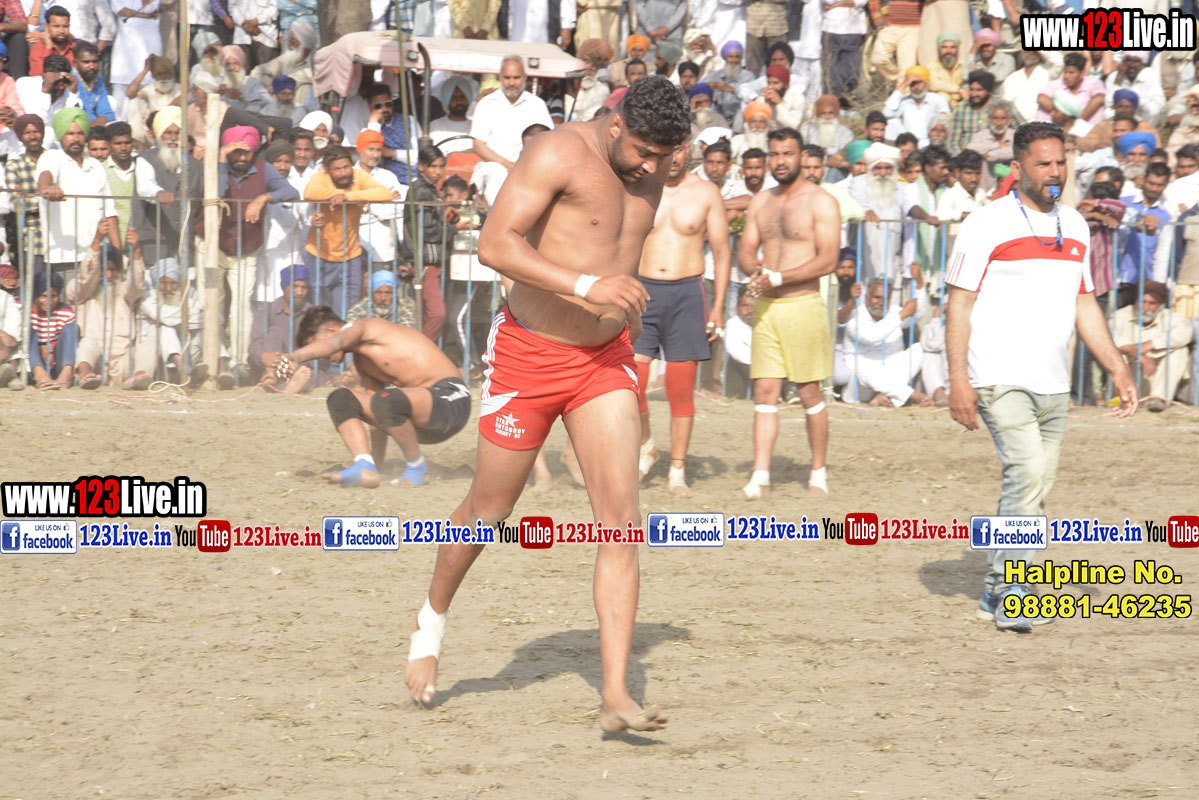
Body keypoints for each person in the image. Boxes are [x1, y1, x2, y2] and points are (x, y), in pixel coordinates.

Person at [401, 76, 689, 732]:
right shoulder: (557, 153)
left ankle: (615, 695)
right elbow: (495, 245)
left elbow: (629, 226)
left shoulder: (658, 161)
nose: (651, 168)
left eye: (664, 156)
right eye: (643, 152)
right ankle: (430, 621)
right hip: (529, 355)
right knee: (488, 512)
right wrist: (588, 286)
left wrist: (618, 301)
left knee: (621, 523)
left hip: (603, 361)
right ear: (615, 124)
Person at [946, 122, 1138, 633]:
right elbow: (959, 303)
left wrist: (1117, 366)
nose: (1055, 172)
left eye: (1060, 162)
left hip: (1054, 384)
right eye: (1043, 163)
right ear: (1017, 167)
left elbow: (1084, 303)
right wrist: (958, 379)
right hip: (997, 374)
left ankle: (994, 589)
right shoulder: (986, 223)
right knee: (1028, 472)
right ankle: (1015, 594)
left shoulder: (1074, 225)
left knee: (1032, 488)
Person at [738, 127, 841, 499]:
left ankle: (818, 473)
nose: (780, 161)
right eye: (775, 154)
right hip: (767, 307)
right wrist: (755, 271)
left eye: (788, 154)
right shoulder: (761, 201)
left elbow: (828, 260)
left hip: (803, 306)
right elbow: (746, 251)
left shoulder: (821, 201)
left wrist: (778, 277)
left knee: (809, 392)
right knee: (764, 391)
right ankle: (760, 476)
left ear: (802, 157)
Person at [272, 305, 471, 487]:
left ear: (332, 331)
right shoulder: (363, 362)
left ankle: (417, 467)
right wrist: (377, 465)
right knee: (342, 398)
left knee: (386, 400)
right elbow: (378, 420)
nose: (321, 356)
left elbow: (335, 343)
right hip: (421, 423)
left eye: (316, 347)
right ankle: (364, 465)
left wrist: (295, 357)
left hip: (451, 400)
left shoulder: (363, 327)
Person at [634, 142, 730, 496]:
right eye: (665, 149)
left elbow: (722, 250)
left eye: (677, 149)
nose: (671, 158)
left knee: (680, 388)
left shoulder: (706, 192)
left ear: (686, 149)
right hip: (643, 291)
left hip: (687, 293)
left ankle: (677, 470)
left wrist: (718, 307)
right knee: (631, 383)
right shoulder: (640, 186)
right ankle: (646, 447)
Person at [303, 144, 393, 318]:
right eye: (337, 169)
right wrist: (334, 195)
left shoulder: (359, 176)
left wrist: (348, 197)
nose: (343, 173)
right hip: (318, 256)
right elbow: (309, 192)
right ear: (328, 170)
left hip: (350, 258)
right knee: (319, 317)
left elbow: (385, 194)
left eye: (346, 167)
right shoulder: (320, 177)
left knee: (346, 316)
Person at [37, 107, 119, 281]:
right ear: (61, 135)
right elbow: (45, 177)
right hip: (65, 256)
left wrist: (118, 256)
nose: (75, 138)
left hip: (96, 253)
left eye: (80, 133)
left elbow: (110, 213)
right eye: (70, 133)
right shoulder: (52, 157)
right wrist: (48, 189)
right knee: (70, 298)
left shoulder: (95, 165)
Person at [69, 222, 145, 389]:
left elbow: (137, 285)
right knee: (87, 343)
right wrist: (97, 240)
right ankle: (84, 375)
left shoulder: (124, 291)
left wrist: (136, 250)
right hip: (95, 363)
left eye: (113, 270)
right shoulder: (83, 292)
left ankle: (138, 377)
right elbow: (86, 278)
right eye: (104, 269)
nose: (109, 275)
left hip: (122, 363)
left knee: (147, 345)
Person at [1114, 280, 1193, 412]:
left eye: (1152, 303)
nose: (1145, 308)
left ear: (1160, 305)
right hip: (1130, 378)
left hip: (1157, 379)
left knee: (1180, 351)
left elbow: (1185, 333)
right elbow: (1110, 338)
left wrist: (1152, 344)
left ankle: (1158, 398)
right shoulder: (1121, 315)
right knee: (1116, 352)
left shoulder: (1168, 317)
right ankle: (1127, 399)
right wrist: (1138, 353)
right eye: (1142, 302)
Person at [248, 263, 314, 391]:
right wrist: (264, 356)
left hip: (299, 366)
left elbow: (318, 349)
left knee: (307, 373)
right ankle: (271, 376)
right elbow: (254, 346)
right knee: (275, 333)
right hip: (270, 366)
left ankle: (290, 383)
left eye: (304, 288)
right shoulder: (267, 311)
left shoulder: (313, 314)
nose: (300, 292)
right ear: (284, 287)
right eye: (294, 287)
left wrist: (296, 360)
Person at [28, 269, 76, 389]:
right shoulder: (24, 309)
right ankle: (39, 373)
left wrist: (50, 348)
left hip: (56, 359)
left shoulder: (65, 311)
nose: (48, 301)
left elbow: (67, 340)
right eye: (44, 296)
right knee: (28, 331)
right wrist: (41, 348)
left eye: (53, 296)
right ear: (35, 295)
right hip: (31, 361)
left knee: (73, 328)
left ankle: (67, 372)